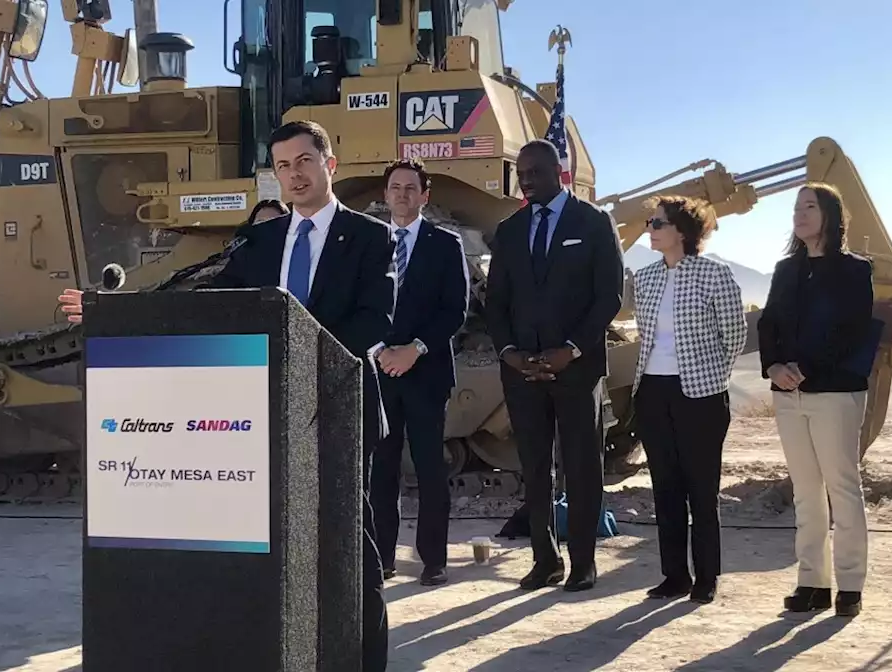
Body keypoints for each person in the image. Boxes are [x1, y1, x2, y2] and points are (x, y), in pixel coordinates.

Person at [59, 120, 395, 670]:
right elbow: (205, 300)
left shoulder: (371, 237)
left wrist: (302, 361)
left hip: (337, 413)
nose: (295, 174)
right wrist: (110, 309)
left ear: (329, 164)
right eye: (283, 166)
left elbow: (372, 320)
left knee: (348, 551)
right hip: (261, 418)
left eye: (304, 161)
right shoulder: (258, 241)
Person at [484, 138, 625, 593]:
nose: (525, 181)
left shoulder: (594, 221)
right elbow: (497, 301)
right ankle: (545, 559)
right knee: (535, 467)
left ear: (559, 172)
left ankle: (583, 562)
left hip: (577, 370)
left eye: (534, 173)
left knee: (582, 467)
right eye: (520, 174)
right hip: (523, 373)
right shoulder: (509, 230)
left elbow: (609, 295)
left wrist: (572, 349)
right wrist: (509, 352)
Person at [757, 183, 876, 618]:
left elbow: (851, 332)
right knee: (806, 492)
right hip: (788, 394)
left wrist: (803, 366)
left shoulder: (854, 270)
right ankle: (812, 582)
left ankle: (850, 584)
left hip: (835, 392)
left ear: (831, 214)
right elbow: (769, 325)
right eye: (796, 208)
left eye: (809, 206)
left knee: (842, 487)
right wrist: (773, 367)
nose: (799, 214)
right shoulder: (786, 269)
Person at [629, 195, 745, 605]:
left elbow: (734, 335)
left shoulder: (714, 274)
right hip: (653, 390)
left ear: (683, 231)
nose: (650, 228)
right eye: (650, 222)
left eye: (658, 222)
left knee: (702, 488)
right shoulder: (643, 278)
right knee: (665, 487)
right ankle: (674, 575)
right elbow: (646, 334)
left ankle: (707, 576)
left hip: (701, 394)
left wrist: (710, 375)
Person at [369, 158, 470, 587]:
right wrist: (380, 351)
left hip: (426, 373)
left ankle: (433, 560)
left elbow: (455, 309)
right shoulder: (369, 244)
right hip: (379, 373)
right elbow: (359, 304)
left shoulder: (446, 245)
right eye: (396, 187)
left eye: (412, 188)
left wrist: (415, 349)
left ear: (425, 196)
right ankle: (381, 557)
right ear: (385, 194)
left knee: (430, 469)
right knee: (380, 471)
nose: (403, 194)